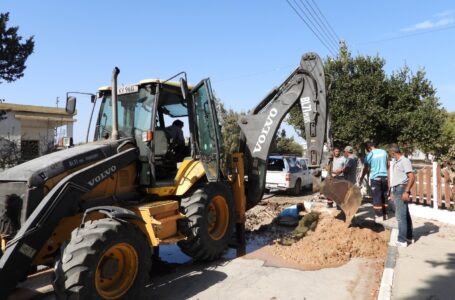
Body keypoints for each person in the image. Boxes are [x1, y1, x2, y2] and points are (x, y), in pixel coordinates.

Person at [388, 144, 415, 247]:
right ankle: (409, 236)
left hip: (401, 189)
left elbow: (412, 177)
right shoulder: (397, 161)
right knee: (405, 214)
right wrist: (392, 190)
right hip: (397, 189)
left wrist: (406, 191)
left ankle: (402, 240)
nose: (391, 156)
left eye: (391, 154)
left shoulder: (404, 161)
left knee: (400, 216)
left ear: (393, 152)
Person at [359, 141, 389, 223]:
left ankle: (379, 216)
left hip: (375, 178)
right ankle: (385, 214)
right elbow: (388, 164)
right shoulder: (384, 152)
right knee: (384, 195)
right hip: (385, 177)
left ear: (368, 148)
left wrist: (361, 178)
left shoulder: (370, 155)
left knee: (377, 197)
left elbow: (366, 168)